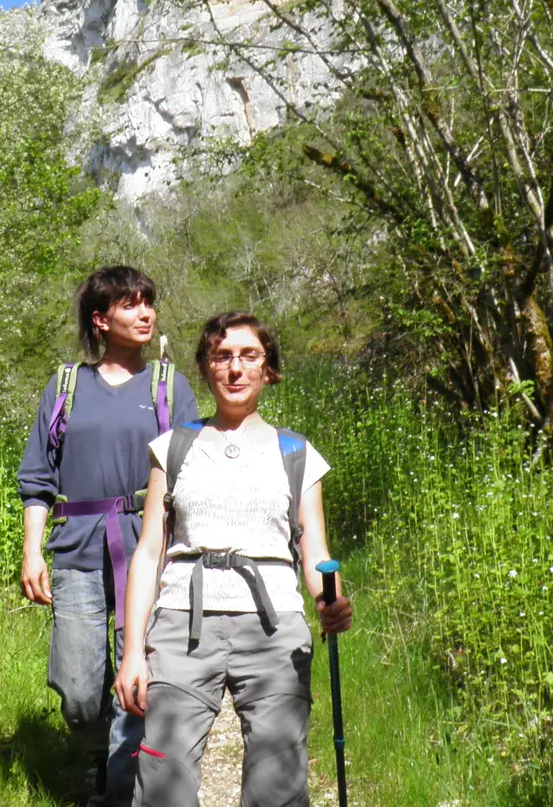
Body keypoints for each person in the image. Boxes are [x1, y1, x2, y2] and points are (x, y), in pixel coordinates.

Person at [114, 312, 353, 807]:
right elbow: (148, 555)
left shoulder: (297, 454)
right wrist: (133, 650)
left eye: (249, 356)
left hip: (274, 630)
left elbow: (315, 553)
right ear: (206, 368)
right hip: (181, 625)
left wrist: (330, 601)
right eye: (223, 357)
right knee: (162, 782)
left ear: (269, 369)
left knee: (277, 786)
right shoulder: (172, 449)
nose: (236, 368)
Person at [18, 266, 198, 807]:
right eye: (130, 304)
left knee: (137, 674)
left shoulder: (170, 387)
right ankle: (100, 754)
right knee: (76, 690)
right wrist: (32, 551)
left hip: (150, 554)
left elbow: (190, 472)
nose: (146, 313)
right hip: (75, 551)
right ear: (101, 319)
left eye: (149, 303)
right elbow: (37, 478)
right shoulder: (67, 386)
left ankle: (119, 789)